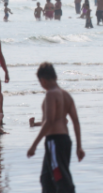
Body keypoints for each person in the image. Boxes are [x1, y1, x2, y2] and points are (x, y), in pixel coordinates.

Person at [27, 63, 85, 193]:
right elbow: (76, 122)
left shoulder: (51, 94)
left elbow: (49, 122)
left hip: (54, 141)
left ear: (42, 80)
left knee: (60, 177)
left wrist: (34, 145)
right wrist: (79, 146)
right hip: (65, 140)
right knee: (46, 178)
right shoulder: (66, 95)